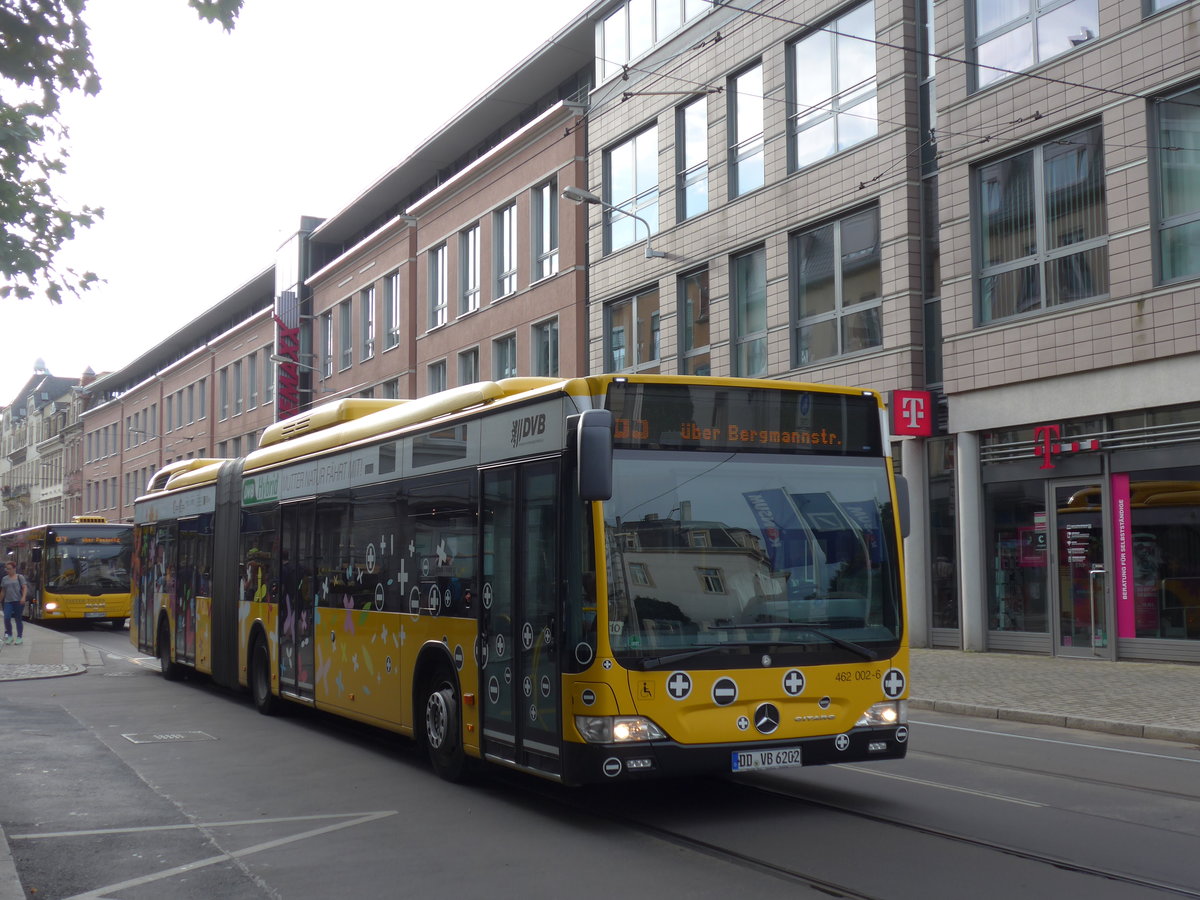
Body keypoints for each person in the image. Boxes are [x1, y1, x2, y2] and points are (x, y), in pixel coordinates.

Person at [2, 561, 29, 645]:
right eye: (7, 569)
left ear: (14, 569)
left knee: (18, 619)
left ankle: (19, 637)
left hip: (18, 601)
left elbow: (24, 588)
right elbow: (3, 591)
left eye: (9, 569)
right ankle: (10, 636)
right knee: (6, 618)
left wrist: (23, 597)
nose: (8, 570)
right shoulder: (5, 579)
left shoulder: (19, 577)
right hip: (8, 601)